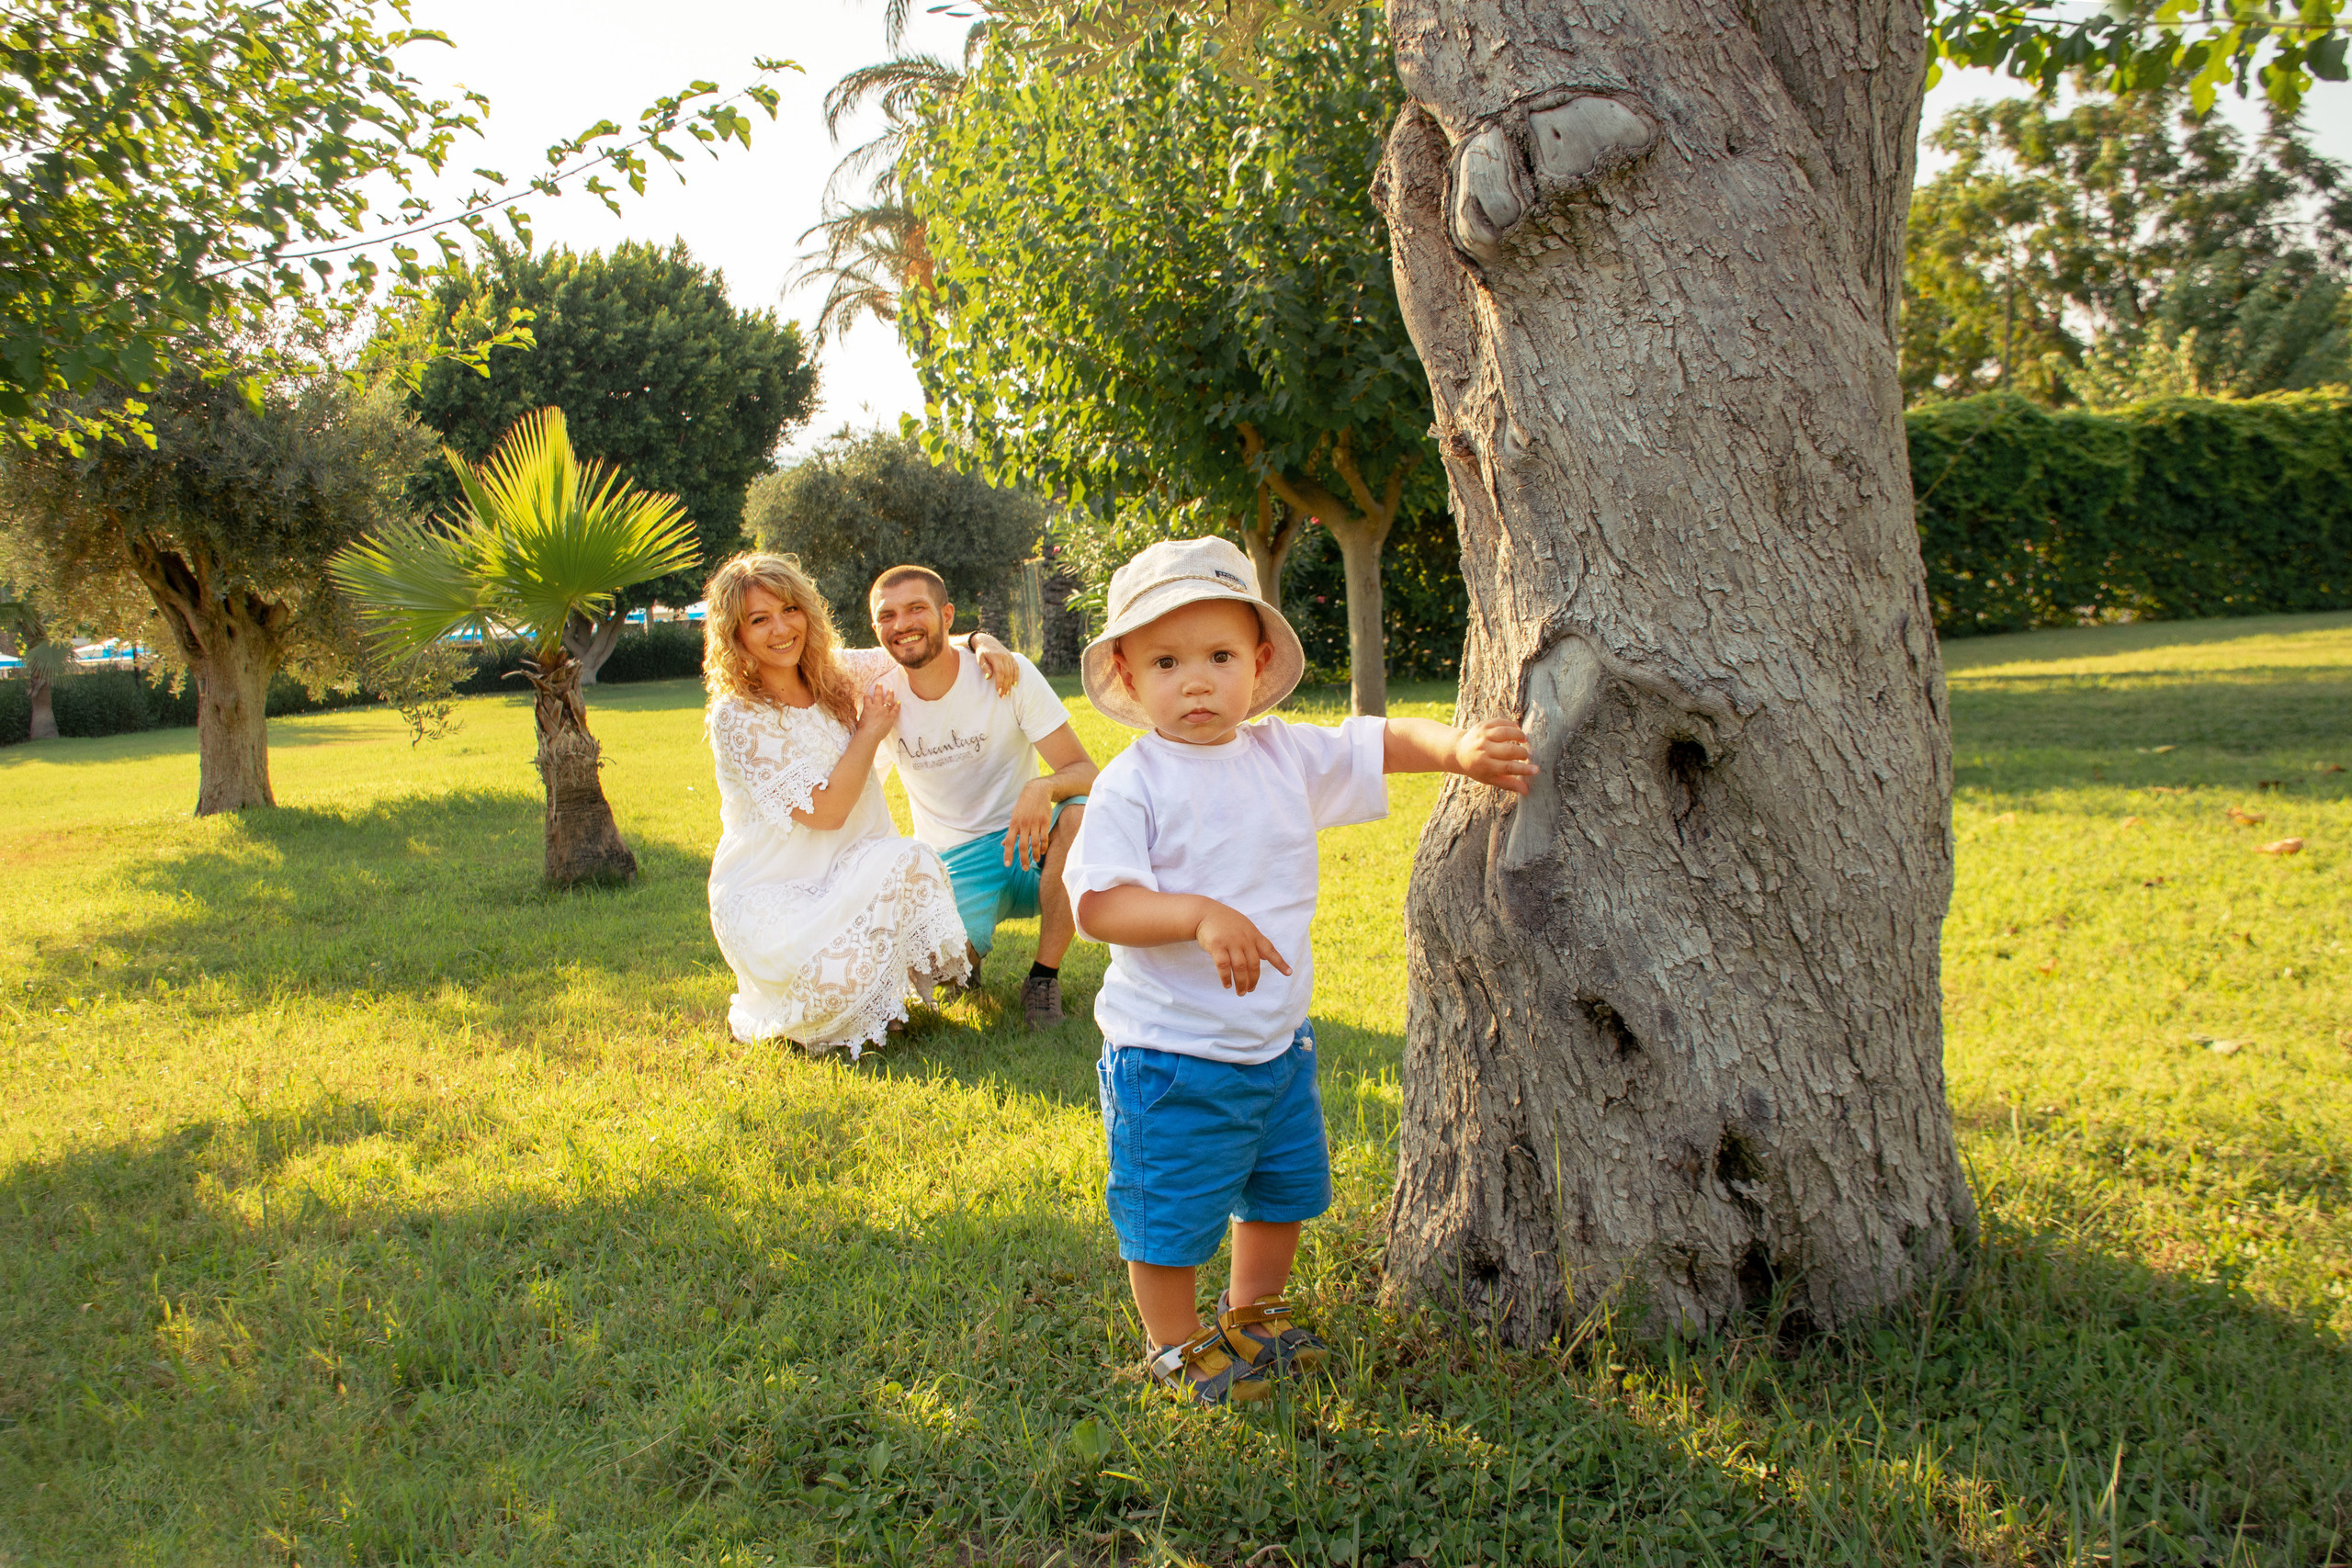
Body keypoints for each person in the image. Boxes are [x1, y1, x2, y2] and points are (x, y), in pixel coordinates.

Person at [1061, 537, 1539, 1405]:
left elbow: (1380, 740)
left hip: (1278, 1044)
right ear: (1128, 679)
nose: (1196, 682)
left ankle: (1255, 1318)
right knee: (1168, 1218)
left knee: (1278, 1195)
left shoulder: (1283, 755)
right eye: (1167, 662)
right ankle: (1174, 1348)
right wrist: (1199, 913)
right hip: (1171, 1055)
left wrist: (1460, 748)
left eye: (1218, 656)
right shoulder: (1133, 784)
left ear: (1262, 660)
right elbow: (1099, 906)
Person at [701, 553, 971, 1057]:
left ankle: (880, 998)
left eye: (790, 610)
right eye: (759, 620)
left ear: (808, 611)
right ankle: (837, 1006)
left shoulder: (835, 674)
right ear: (734, 634)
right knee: (835, 987)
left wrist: (980, 641)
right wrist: (869, 731)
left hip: (848, 875)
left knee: (911, 860)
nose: (781, 629)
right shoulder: (736, 716)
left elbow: (908, 647)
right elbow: (826, 813)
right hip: (768, 896)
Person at [842, 565, 1101, 1029]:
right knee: (938, 974)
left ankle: (1043, 978)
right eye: (888, 615)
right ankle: (966, 959)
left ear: (946, 614)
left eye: (916, 609)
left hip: (1033, 846)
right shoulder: (881, 699)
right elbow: (858, 796)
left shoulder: (1007, 673)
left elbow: (1086, 773)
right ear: (876, 628)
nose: (902, 624)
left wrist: (1042, 787)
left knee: (1079, 817)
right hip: (954, 862)